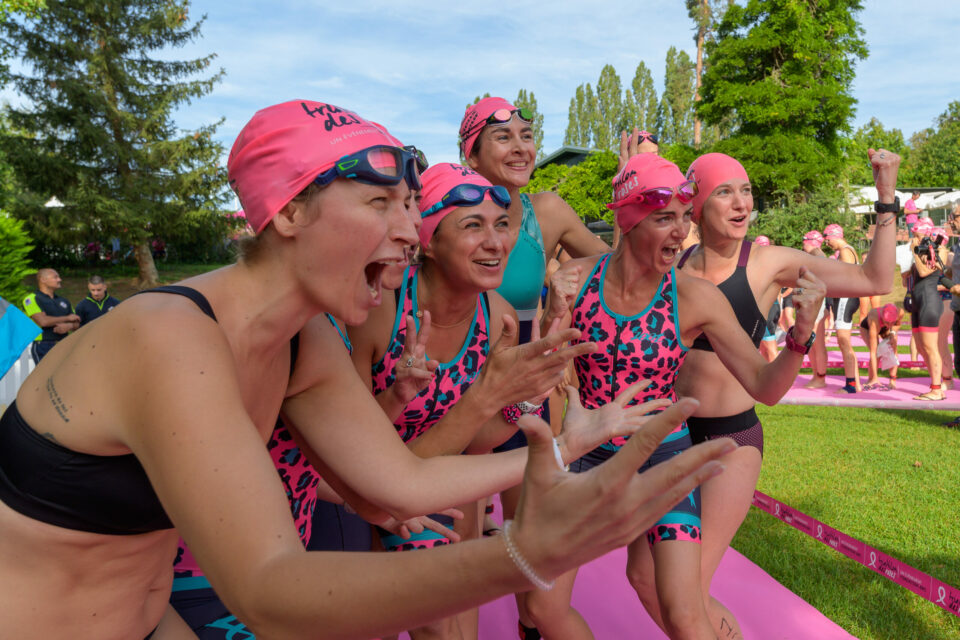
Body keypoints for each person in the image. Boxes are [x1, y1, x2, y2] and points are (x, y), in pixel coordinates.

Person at [0, 99, 734, 639]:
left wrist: (572, 449)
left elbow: (402, 480)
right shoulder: (168, 335)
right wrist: (524, 555)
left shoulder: (300, 338)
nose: (410, 231)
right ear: (288, 213)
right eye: (382, 202)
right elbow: (270, 587)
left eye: (410, 206)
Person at [532, 152, 827, 640]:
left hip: (662, 460)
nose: (678, 232)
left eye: (684, 218)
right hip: (584, 457)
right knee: (542, 607)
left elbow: (765, 388)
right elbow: (540, 380)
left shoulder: (692, 297)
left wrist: (801, 333)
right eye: (662, 218)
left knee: (686, 613)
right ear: (626, 220)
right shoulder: (577, 281)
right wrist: (553, 318)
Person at [660, 149, 899, 638]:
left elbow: (875, 279)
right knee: (647, 580)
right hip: (673, 439)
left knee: (686, 593)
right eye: (724, 191)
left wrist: (886, 196)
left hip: (731, 439)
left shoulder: (768, 263)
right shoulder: (676, 263)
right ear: (698, 205)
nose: (741, 201)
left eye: (746, 190)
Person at [459, 96, 611, 638]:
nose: (522, 146)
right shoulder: (448, 215)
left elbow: (614, 268)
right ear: (469, 152)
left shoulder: (546, 212)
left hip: (531, 399)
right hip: (459, 400)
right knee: (463, 561)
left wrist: (568, 285)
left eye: (527, 134)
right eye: (504, 137)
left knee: (534, 552)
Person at [907, 217, 950, 400]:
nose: (913, 236)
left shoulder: (940, 250)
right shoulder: (924, 250)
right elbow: (912, 275)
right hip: (917, 300)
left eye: (915, 232)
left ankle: (937, 389)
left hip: (929, 301)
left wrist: (914, 252)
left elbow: (925, 272)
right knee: (921, 347)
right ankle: (935, 383)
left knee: (931, 347)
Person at [822, 224, 866, 393]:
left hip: (846, 299)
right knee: (844, 343)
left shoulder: (846, 251)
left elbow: (846, 277)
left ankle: (851, 385)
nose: (827, 244)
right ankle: (856, 383)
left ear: (835, 236)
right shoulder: (848, 250)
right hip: (846, 299)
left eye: (828, 240)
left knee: (844, 341)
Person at [21, 268, 80, 363]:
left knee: (67, 376)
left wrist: (69, 326)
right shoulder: (31, 299)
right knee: (47, 377)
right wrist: (67, 318)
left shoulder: (64, 301)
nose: (59, 280)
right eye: (55, 277)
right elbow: (43, 321)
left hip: (65, 343)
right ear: (43, 280)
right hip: (43, 344)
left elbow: (77, 322)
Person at [801, 230, 830, 389]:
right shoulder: (815, 257)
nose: (802, 243)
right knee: (812, 343)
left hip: (817, 305)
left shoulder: (818, 257)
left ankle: (820, 378)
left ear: (812, 241)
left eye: (804, 240)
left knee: (817, 344)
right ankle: (816, 376)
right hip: (814, 304)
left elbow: (820, 286)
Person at [861, 303, 904, 390]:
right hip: (867, 328)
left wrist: (892, 333)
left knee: (893, 349)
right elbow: (873, 352)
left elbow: (897, 324)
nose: (888, 325)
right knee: (877, 353)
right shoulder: (874, 318)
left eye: (892, 322)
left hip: (886, 330)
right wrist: (875, 377)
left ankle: (892, 380)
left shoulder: (900, 312)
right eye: (886, 323)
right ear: (882, 318)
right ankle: (871, 379)